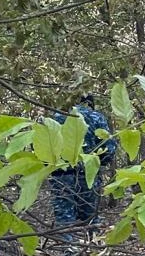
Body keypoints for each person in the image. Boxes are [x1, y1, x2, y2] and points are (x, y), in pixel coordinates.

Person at [50, 95, 117, 233]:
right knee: (91, 219)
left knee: (64, 221)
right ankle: (92, 249)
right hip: (88, 175)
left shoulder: (55, 118)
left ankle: (68, 250)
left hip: (61, 176)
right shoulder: (96, 117)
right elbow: (109, 149)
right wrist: (99, 163)